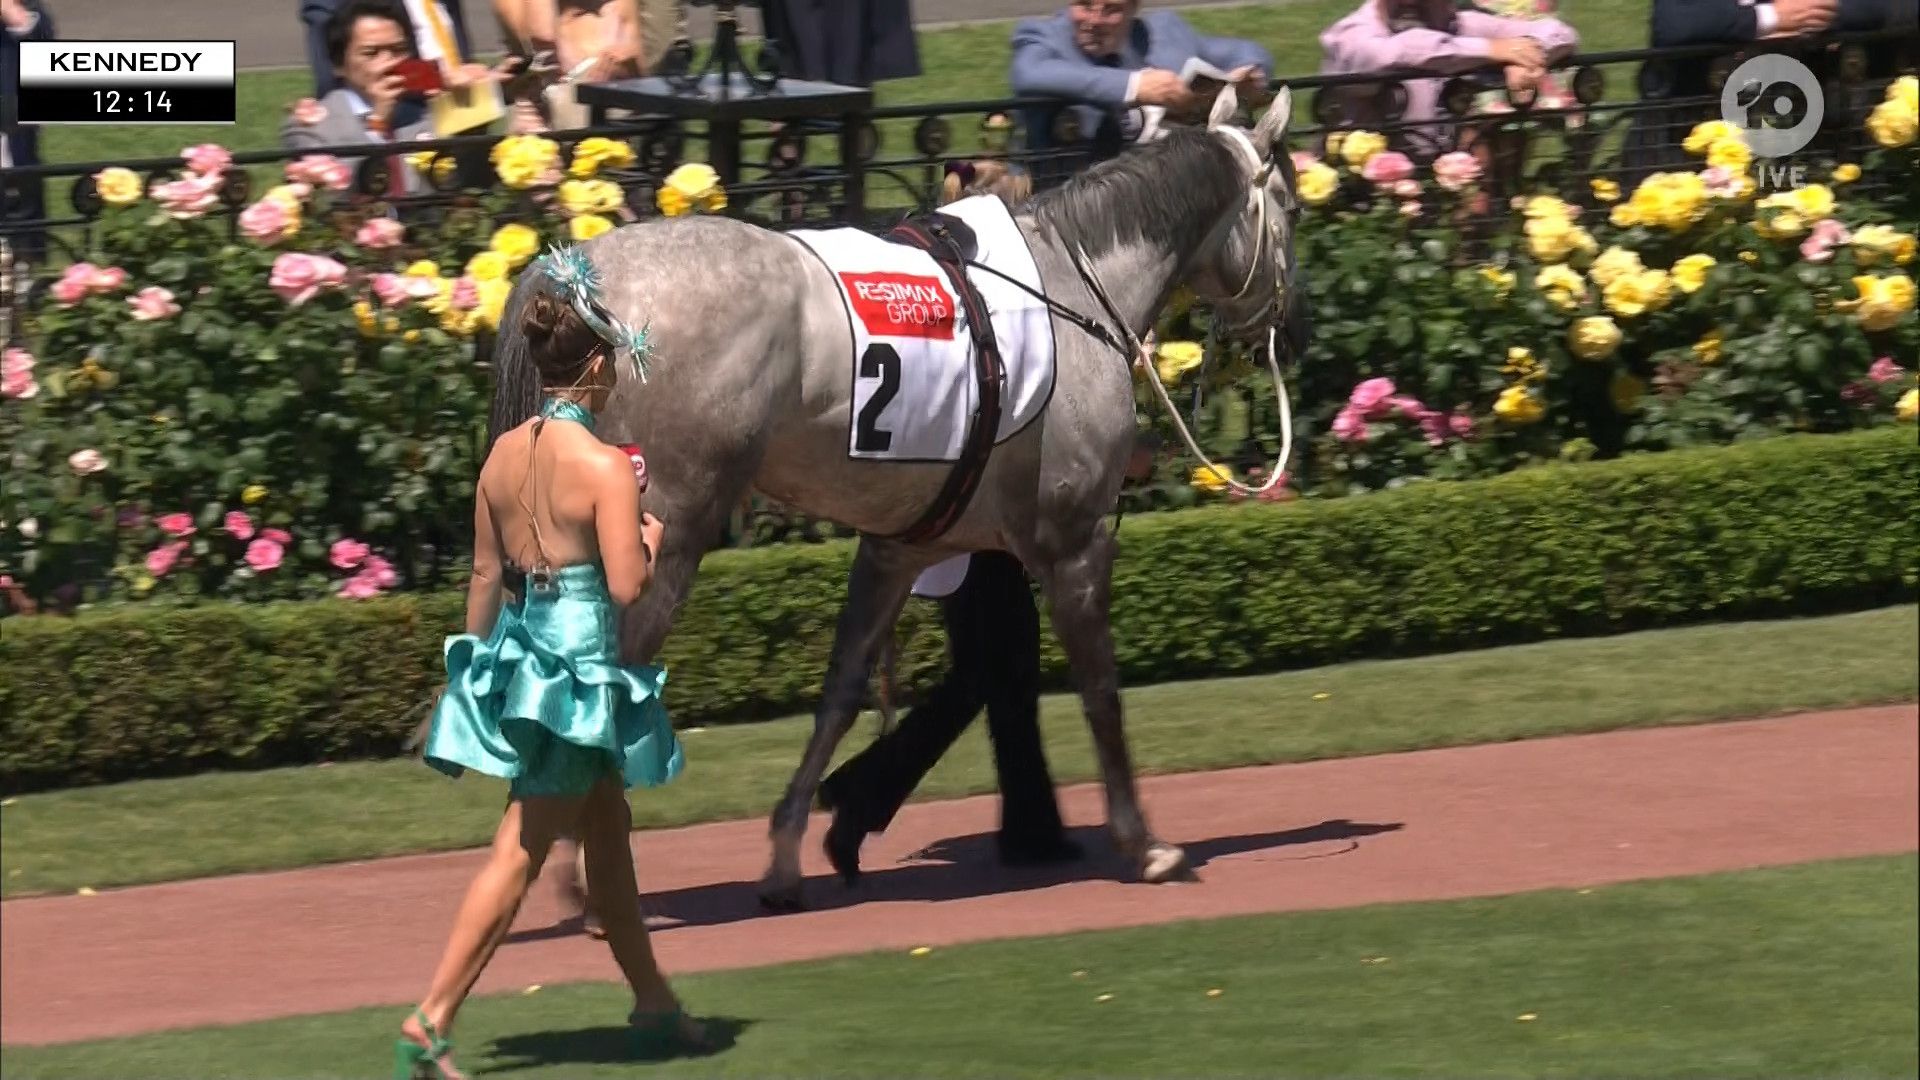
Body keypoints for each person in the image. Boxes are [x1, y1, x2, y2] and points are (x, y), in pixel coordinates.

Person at [394, 246, 710, 1078]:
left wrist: (471, 671)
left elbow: (484, 576)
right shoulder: (604, 467)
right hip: (577, 671)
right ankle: (430, 1021)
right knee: (522, 847)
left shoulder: (502, 455)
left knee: (607, 832)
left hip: (529, 656)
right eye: (617, 364)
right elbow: (627, 586)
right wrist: (650, 538)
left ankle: (655, 1004)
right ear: (597, 365)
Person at [1008, 0, 1273, 180]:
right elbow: (1029, 73)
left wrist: (1251, 74)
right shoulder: (1043, 37)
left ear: (1134, 8)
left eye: (1111, 9)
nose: (1094, 20)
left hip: (1162, 191)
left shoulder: (1163, 33)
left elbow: (1248, 52)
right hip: (1064, 200)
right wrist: (1134, 86)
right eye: (1084, 5)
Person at [1318, 0, 1577, 161]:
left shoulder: (1460, 25)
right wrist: (1490, 49)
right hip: (1361, 200)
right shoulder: (1351, 32)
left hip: (1439, 187)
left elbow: (1559, 32)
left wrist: (1527, 54)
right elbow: (1391, 53)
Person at [284, 0, 437, 153]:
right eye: (371, 53)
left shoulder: (426, 115)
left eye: (398, 50)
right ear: (338, 64)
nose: (389, 63)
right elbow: (340, 167)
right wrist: (378, 123)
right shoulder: (312, 125)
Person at [304, 0, 478, 98]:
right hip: (398, 130)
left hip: (465, 117)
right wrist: (438, 78)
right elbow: (335, 75)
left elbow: (450, 49)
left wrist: (481, 76)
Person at [1, 0, 53, 266]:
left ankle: (24, 267)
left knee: (22, 198)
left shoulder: (29, 9)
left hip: (12, 132)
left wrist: (12, 11)